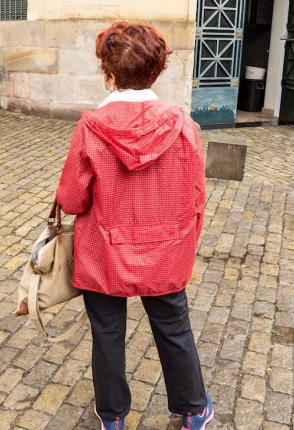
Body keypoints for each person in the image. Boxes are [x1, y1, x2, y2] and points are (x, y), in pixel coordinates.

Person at [56, 22, 213, 430]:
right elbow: (196, 197)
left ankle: (112, 417)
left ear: (108, 73)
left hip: (104, 252)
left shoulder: (91, 127)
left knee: (107, 333)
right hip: (164, 249)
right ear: (157, 70)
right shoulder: (183, 124)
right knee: (174, 327)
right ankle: (193, 410)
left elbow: (72, 200)